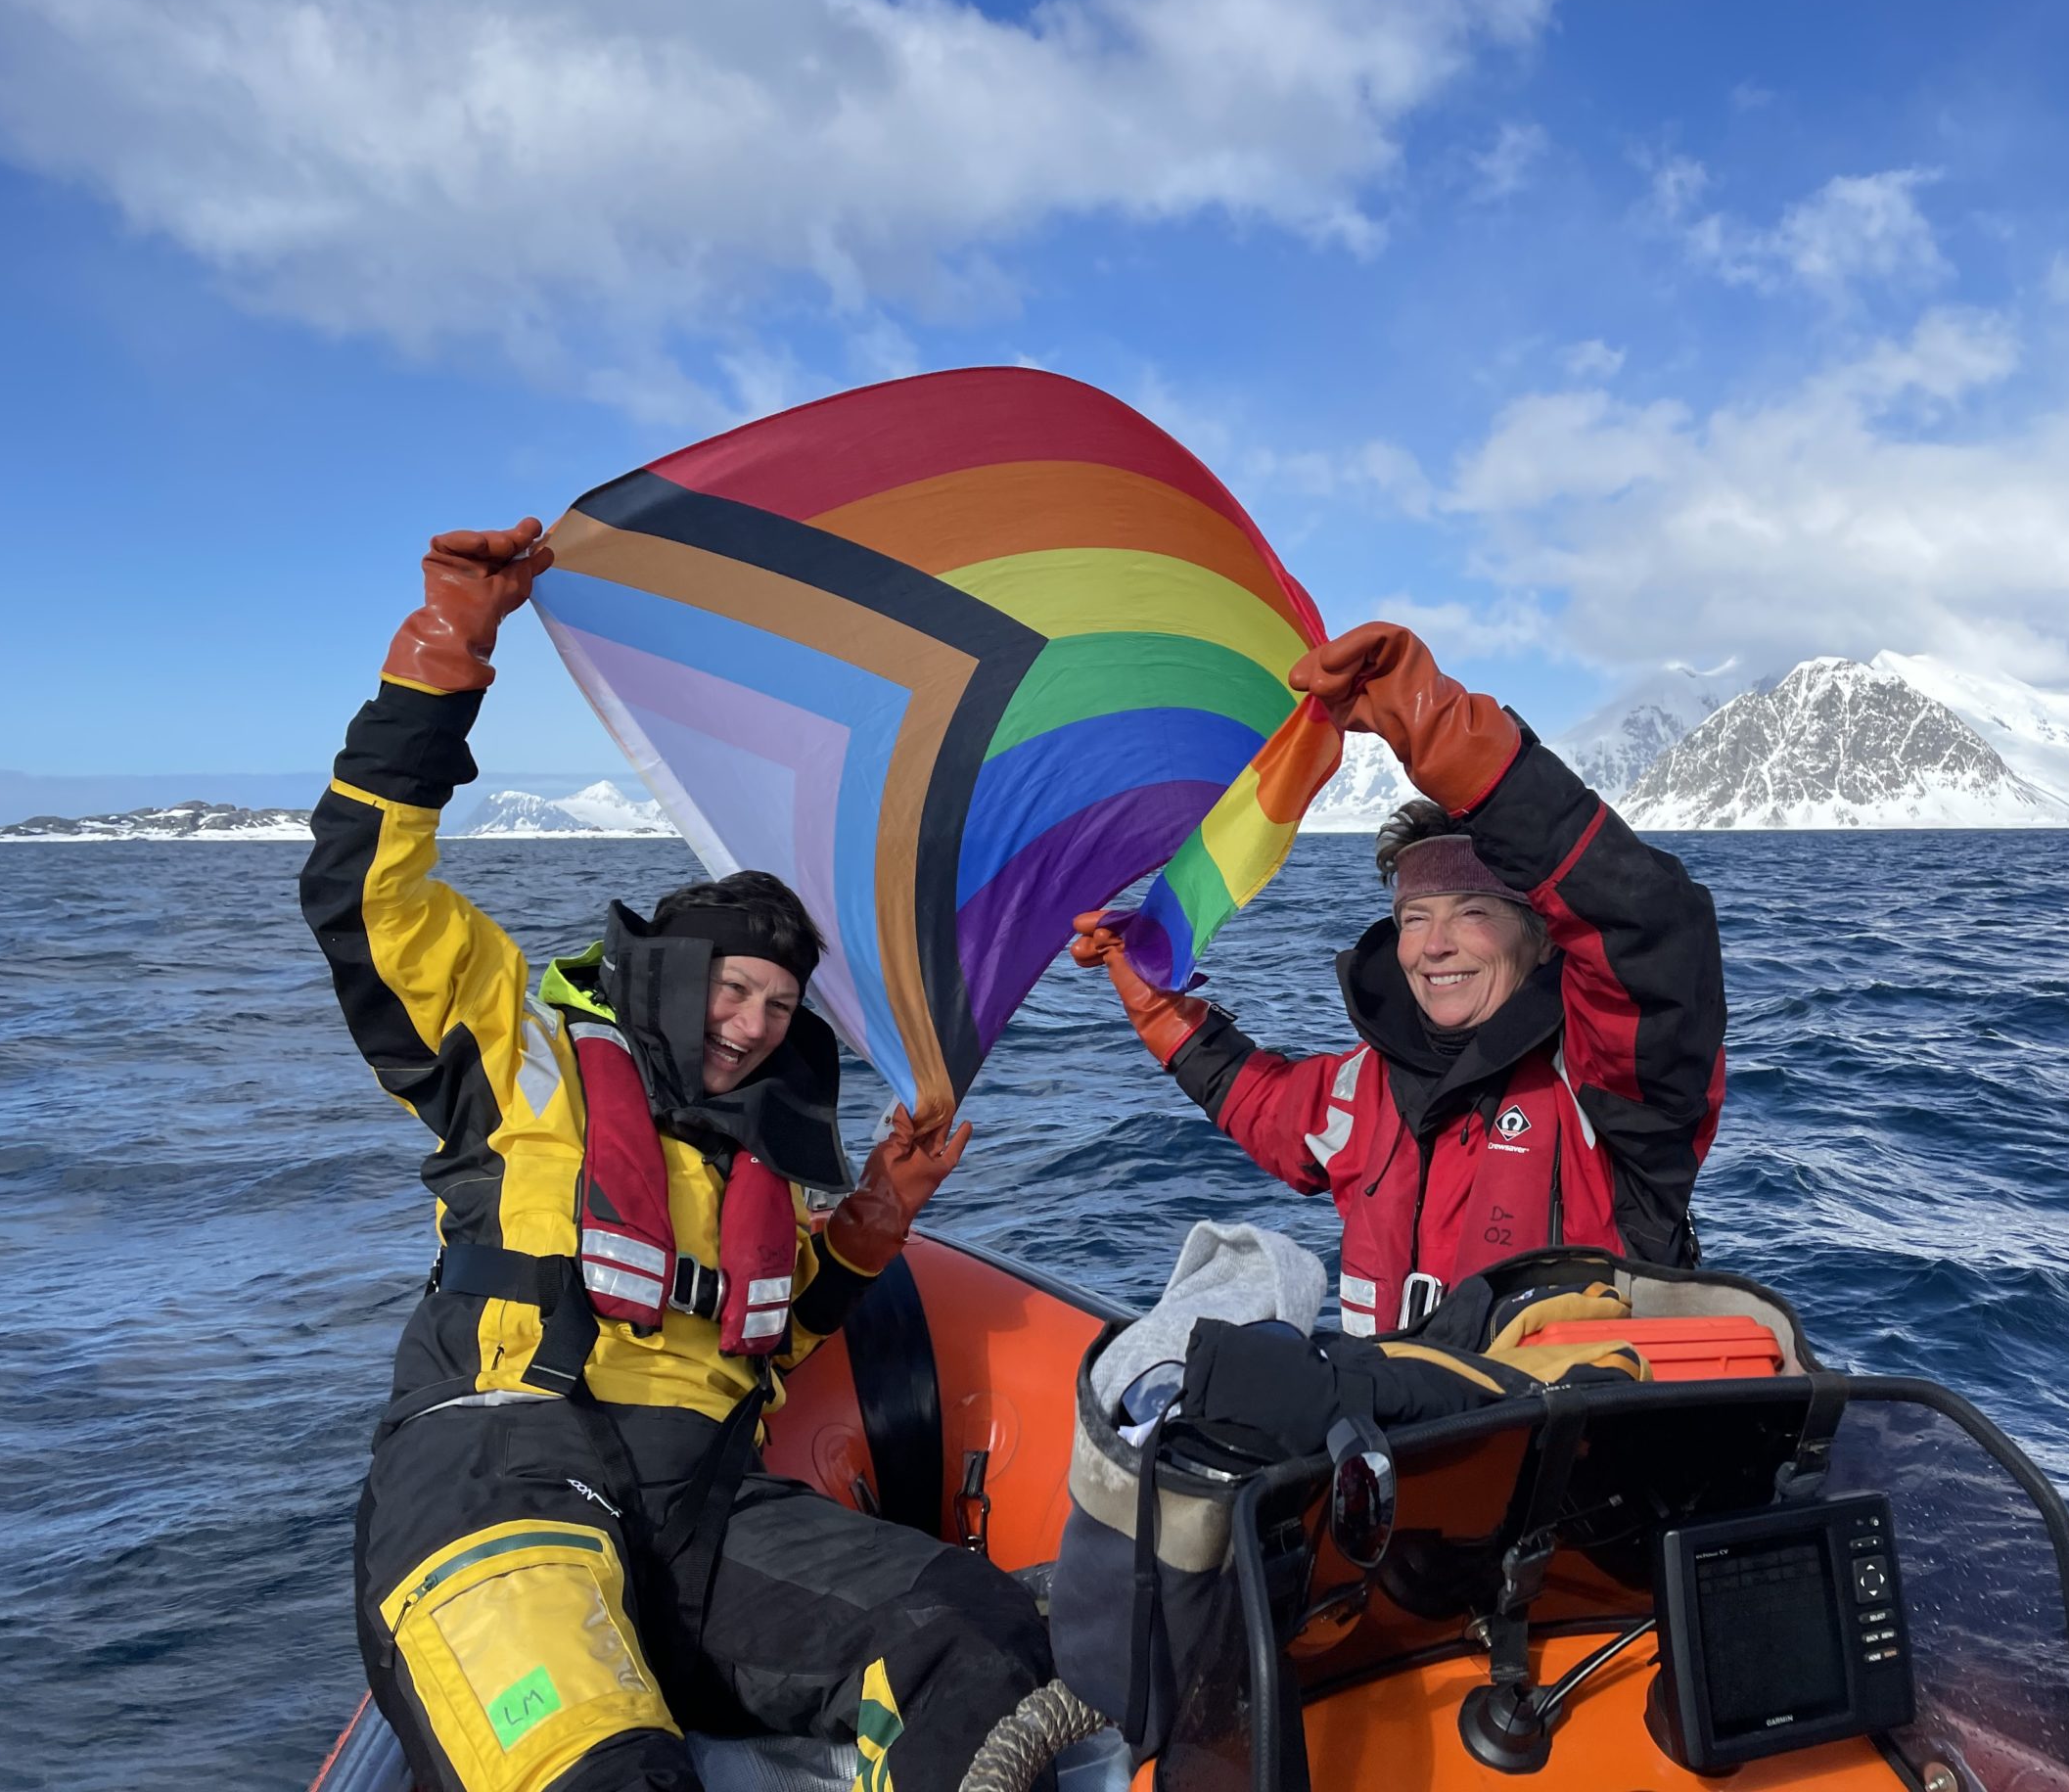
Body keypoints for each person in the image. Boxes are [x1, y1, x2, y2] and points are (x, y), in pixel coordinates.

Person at [302, 520, 1049, 1792]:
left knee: (984, 1639)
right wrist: (447, 654)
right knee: (606, 1771)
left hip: (703, 1521)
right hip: (505, 1467)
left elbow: (778, 1331)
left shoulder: (747, 1167)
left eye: (777, 1006)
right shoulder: (515, 1039)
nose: (752, 1025)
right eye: (733, 988)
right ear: (667, 968)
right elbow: (363, 890)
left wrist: (872, 1218)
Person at [1073, 622, 1726, 1336]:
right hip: (1394, 1439)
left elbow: (1655, 930)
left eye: (1473, 912)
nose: (1435, 946)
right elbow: (1265, 1105)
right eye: (1415, 918)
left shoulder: (1607, 1085)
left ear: (1540, 938)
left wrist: (1454, 741)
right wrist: (1164, 1015)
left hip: (1567, 1438)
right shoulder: (1364, 1090)